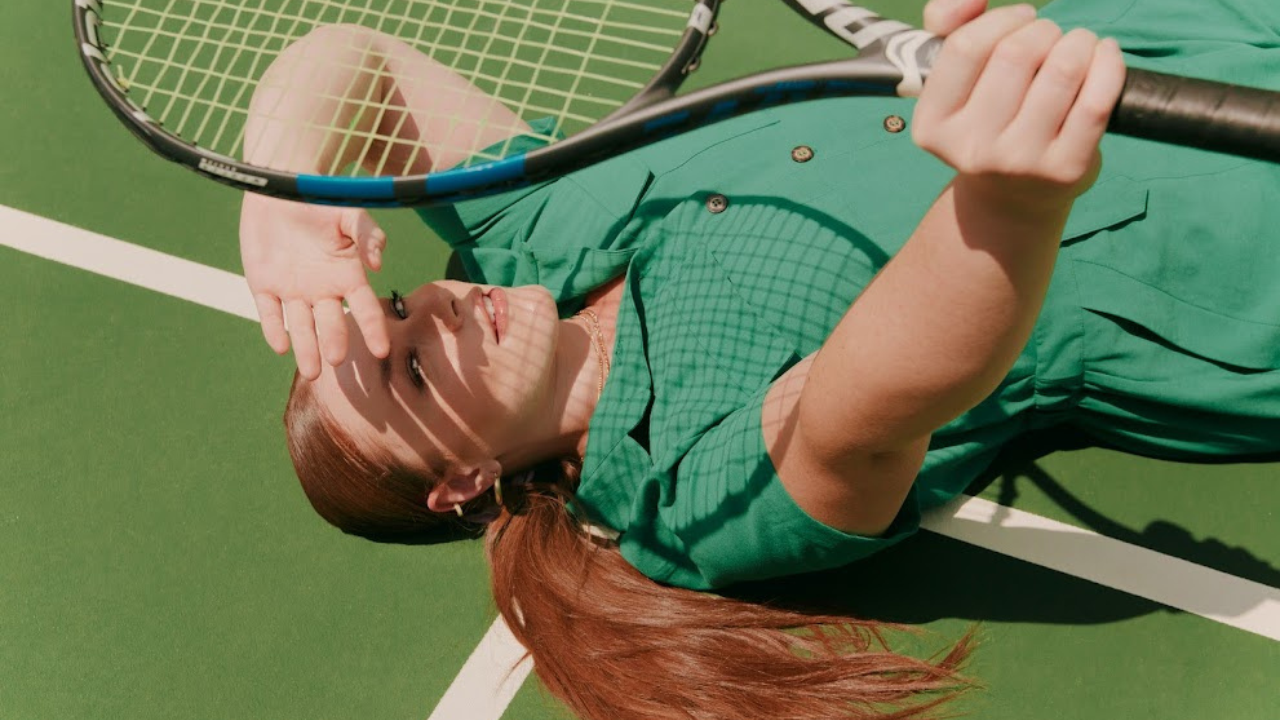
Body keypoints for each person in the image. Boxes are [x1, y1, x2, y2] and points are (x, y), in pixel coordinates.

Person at [239, 0, 1280, 717]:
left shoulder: (529, 230)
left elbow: (352, 54)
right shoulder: (686, 500)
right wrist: (1008, 198)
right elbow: (865, 407)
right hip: (1227, 250)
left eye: (391, 305)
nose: (434, 309)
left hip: (1143, 35)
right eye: (412, 368)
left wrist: (279, 198)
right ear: (465, 481)